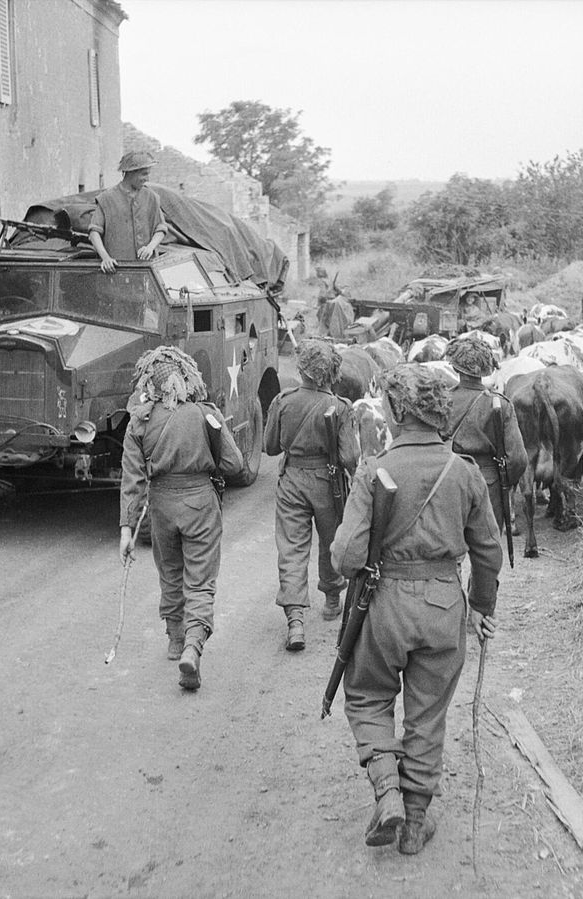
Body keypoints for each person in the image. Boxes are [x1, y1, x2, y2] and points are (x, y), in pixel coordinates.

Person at [331, 365, 501, 855]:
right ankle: (415, 823)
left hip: (384, 606)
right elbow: (488, 548)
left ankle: (388, 793)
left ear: (398, 411)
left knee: (365, 696)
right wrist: (481, 606)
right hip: (445, 604)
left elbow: (344, 558)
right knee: (427, 716)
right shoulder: (466, 472)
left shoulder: (374, 470)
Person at [119, 346, 243, 691]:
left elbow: (132, 480)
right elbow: (234, 465)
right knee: (200, 580)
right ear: (186, 378)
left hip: (160, 505)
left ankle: (174, 639)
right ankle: (193, 645)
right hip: (200, 503)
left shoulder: (139, 422)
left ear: (150, 383)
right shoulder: (205, 413)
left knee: (170, 572)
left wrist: (127, 531)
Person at [264, 337, 360, 651]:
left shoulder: (283, 400)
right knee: (331, 539)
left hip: (292, 479)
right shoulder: (341, 407)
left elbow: (270, 447)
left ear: (303, 369)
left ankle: (295, 621)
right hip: (328, 482)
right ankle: (332, 599)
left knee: (291, 548)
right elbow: (349, 457)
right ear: (332, 373)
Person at [444, 335, 526, 534]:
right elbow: (518, 459)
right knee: (487, 549)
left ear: (455, 367)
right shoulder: (500, 404)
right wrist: (503, 481)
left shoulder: (442, 401)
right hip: (488, 482)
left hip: (448, 478)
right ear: (486, 370)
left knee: (450, 547)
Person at [89, 150, 168, 274]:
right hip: (117, 271)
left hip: (147, 271)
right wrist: (106, 258)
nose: (147, 179)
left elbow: (161, 228)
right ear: (130, 173)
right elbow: (94, 232)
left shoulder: (151, 197)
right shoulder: (106, 198)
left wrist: (150, 247)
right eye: (144, 174)